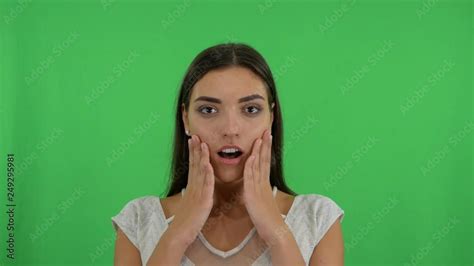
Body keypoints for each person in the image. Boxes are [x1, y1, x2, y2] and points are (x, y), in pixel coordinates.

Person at [111, 43, 345, 266]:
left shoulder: (317, 218)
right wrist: (178, 234)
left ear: (271, 118)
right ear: (186, 119)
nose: (230, 129)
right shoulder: (139, 219)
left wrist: (276, 232)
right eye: (209, 110)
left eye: (250, 109)